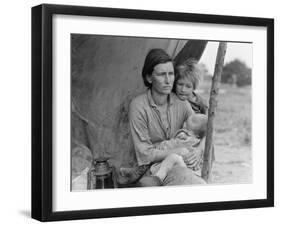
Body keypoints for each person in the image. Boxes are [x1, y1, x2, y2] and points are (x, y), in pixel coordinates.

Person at [126, 48, 206, 187]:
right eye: (162, 74)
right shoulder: (138, 106)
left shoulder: (182, 103)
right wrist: (177, 151)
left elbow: (205, 130)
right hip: (154, 169)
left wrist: (199, 150)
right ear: (149, 78)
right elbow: (145, 155)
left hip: (180, 164)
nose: (168, 80)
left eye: (171, 74)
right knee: (187, 181)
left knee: (189, 178)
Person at [120, 114, 207, 186]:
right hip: (186, 167)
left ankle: (146, 175)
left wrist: (161, 146)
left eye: (187, 129)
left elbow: (173, 144)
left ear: (197, 135)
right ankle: (136, 173)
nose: (183, 129)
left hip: (176, 164)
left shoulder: (185, 138)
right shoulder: (196, 141)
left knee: (153, 158)